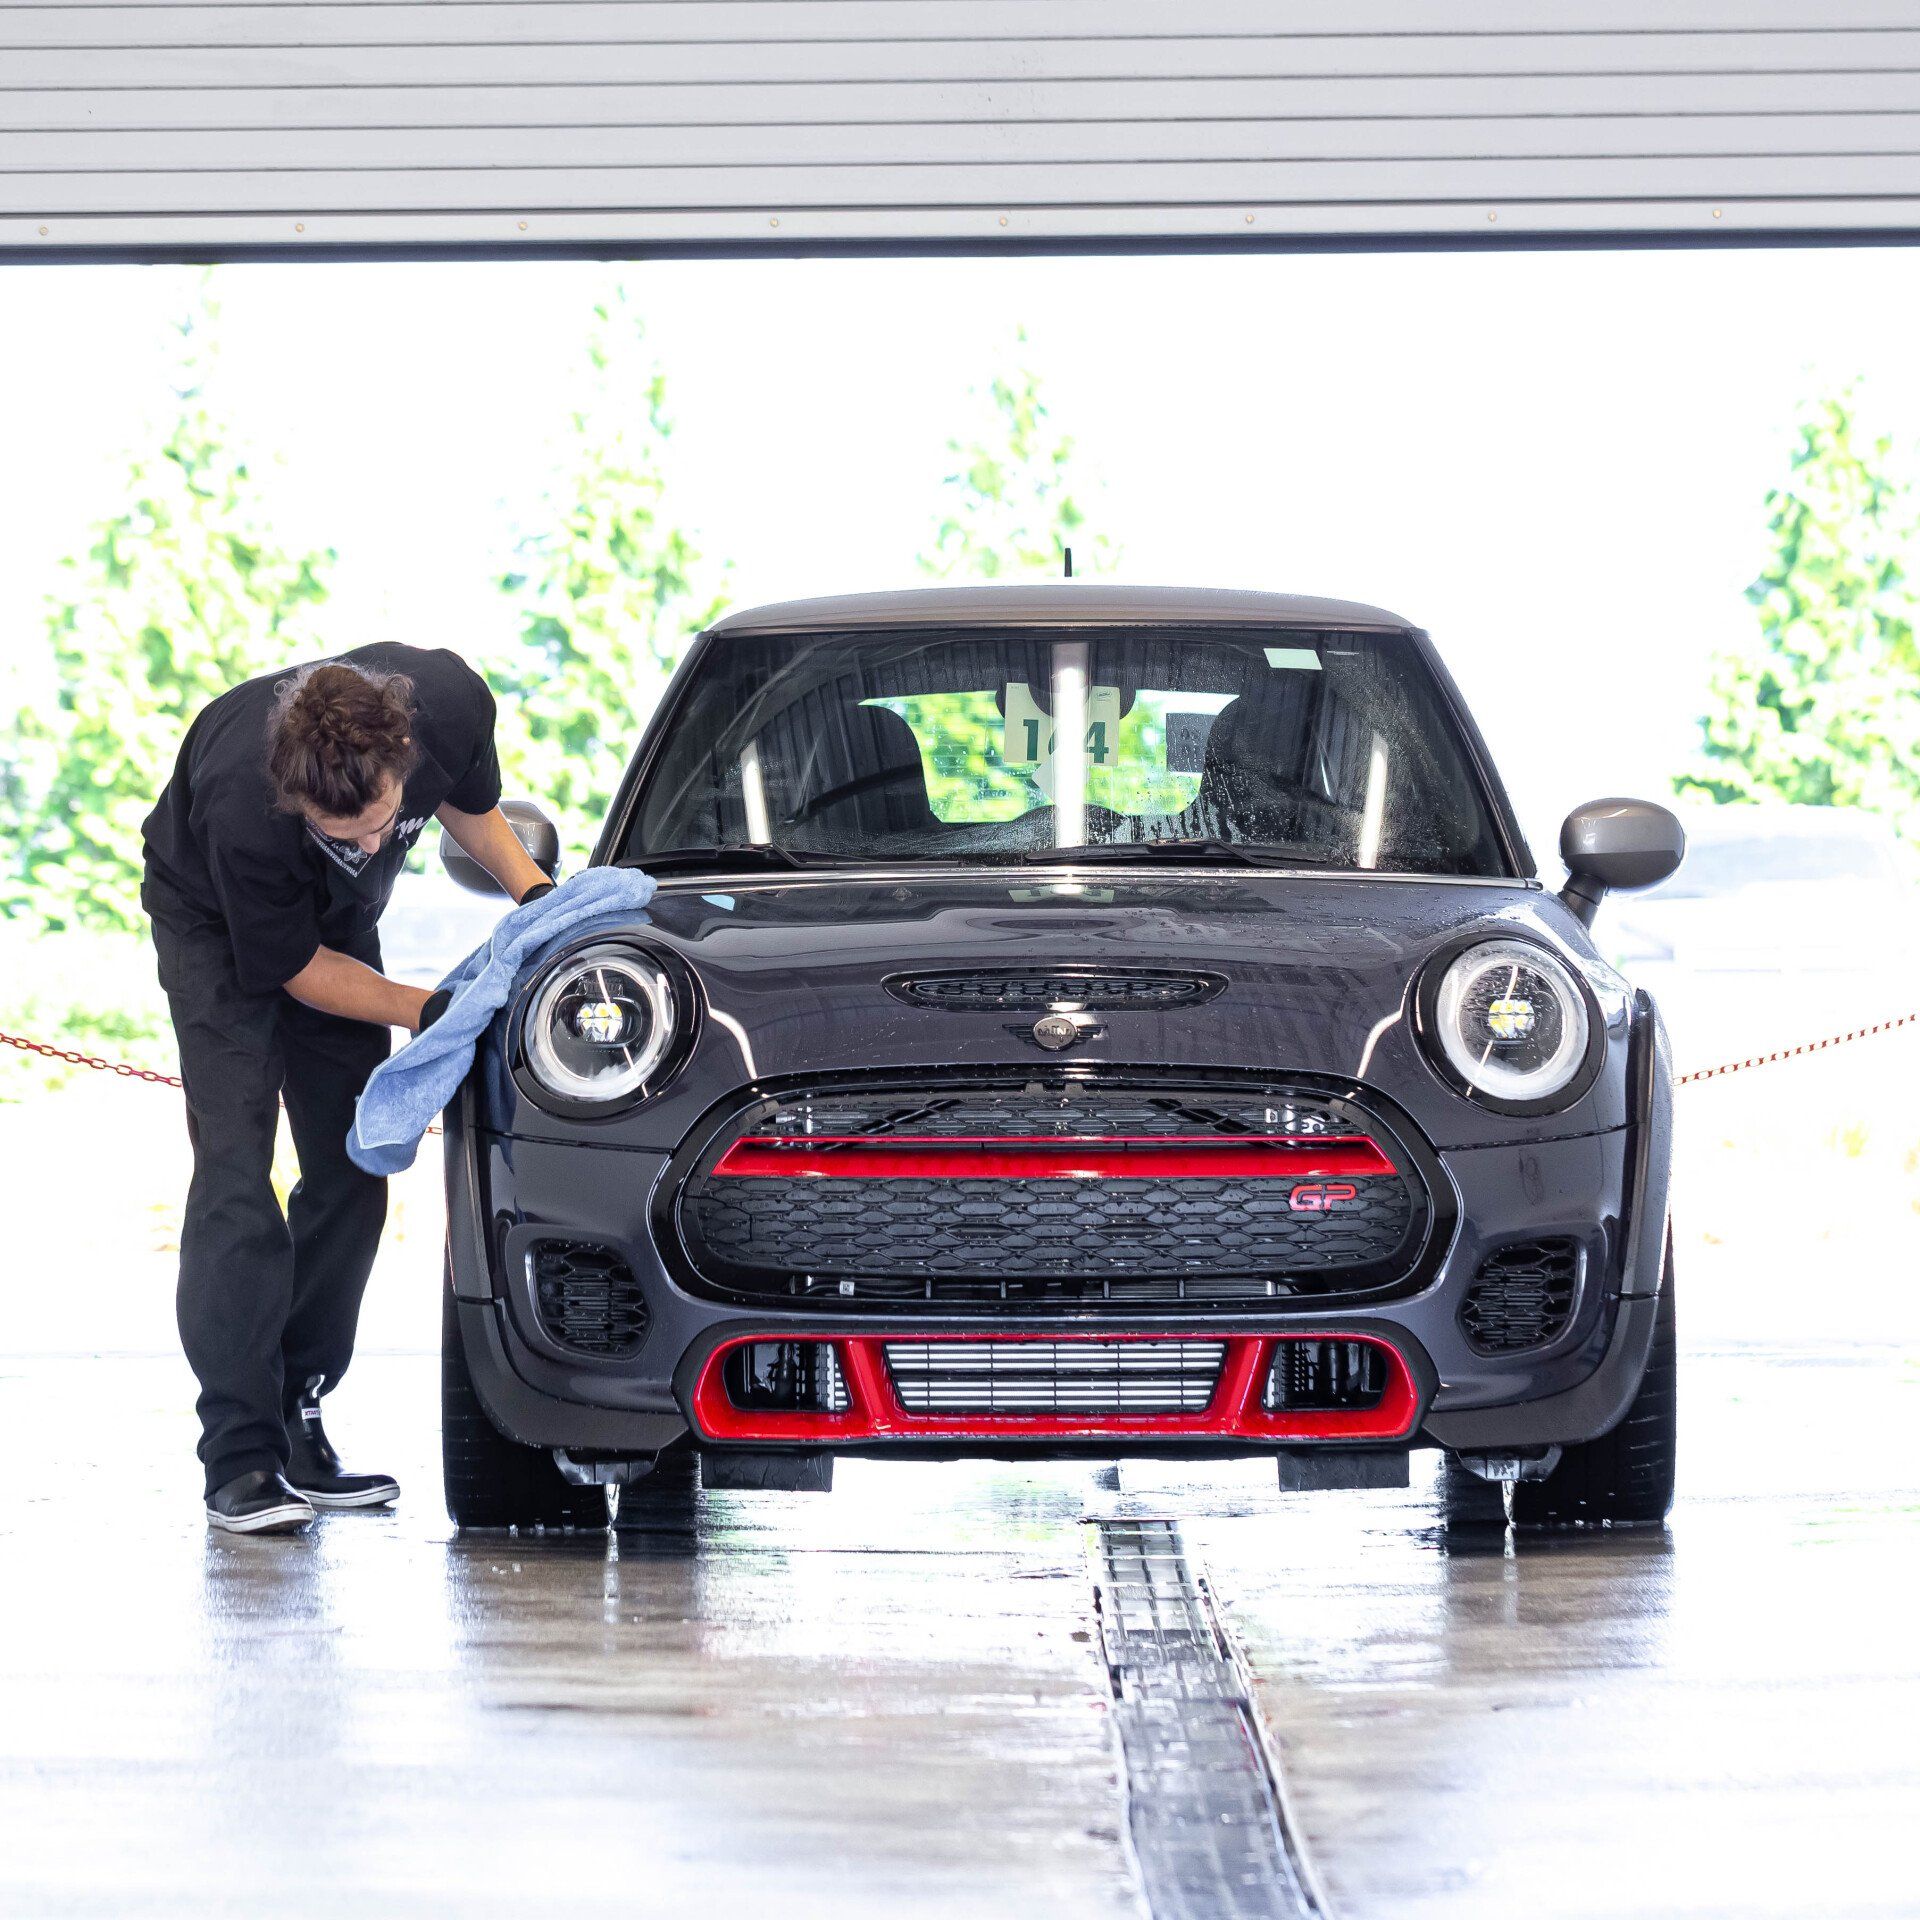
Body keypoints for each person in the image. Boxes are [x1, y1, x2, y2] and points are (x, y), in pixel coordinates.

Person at [141, 646, 552, 1534]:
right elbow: (293, 969)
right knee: (236, 1172)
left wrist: (543, 903)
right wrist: (428, 1009)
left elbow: (473, 817)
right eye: (341, 834)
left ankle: (297, 1415)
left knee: (355, 1160)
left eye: (378, 825)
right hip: (213, 923)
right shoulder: (244, 806)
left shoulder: (448, 702)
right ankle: (241, 1460)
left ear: (405, 752)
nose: (369, 847)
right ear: (294, 800)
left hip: (333, 924)